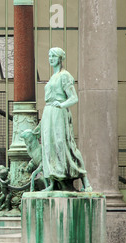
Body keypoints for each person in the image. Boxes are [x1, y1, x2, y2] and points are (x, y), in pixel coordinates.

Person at [39, 47, 92, 192]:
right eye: (49, 56)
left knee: (65, 145)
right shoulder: (52, 77)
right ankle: (53, 182)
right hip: (49, 113)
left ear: (60, 58)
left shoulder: (65, 75)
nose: (51, 59)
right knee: (49, 147)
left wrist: (61, 104)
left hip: (59, 113)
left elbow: (74, 98)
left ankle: (85, 180)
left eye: (54, 56)